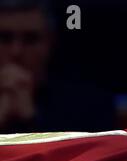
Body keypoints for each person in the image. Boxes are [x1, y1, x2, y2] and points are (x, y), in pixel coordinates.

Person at [0, 0, 114, 133]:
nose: (16, 51)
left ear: (50, 42)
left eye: (30, 39)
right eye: (4, 38)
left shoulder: (90, 105)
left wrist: (30, 119)